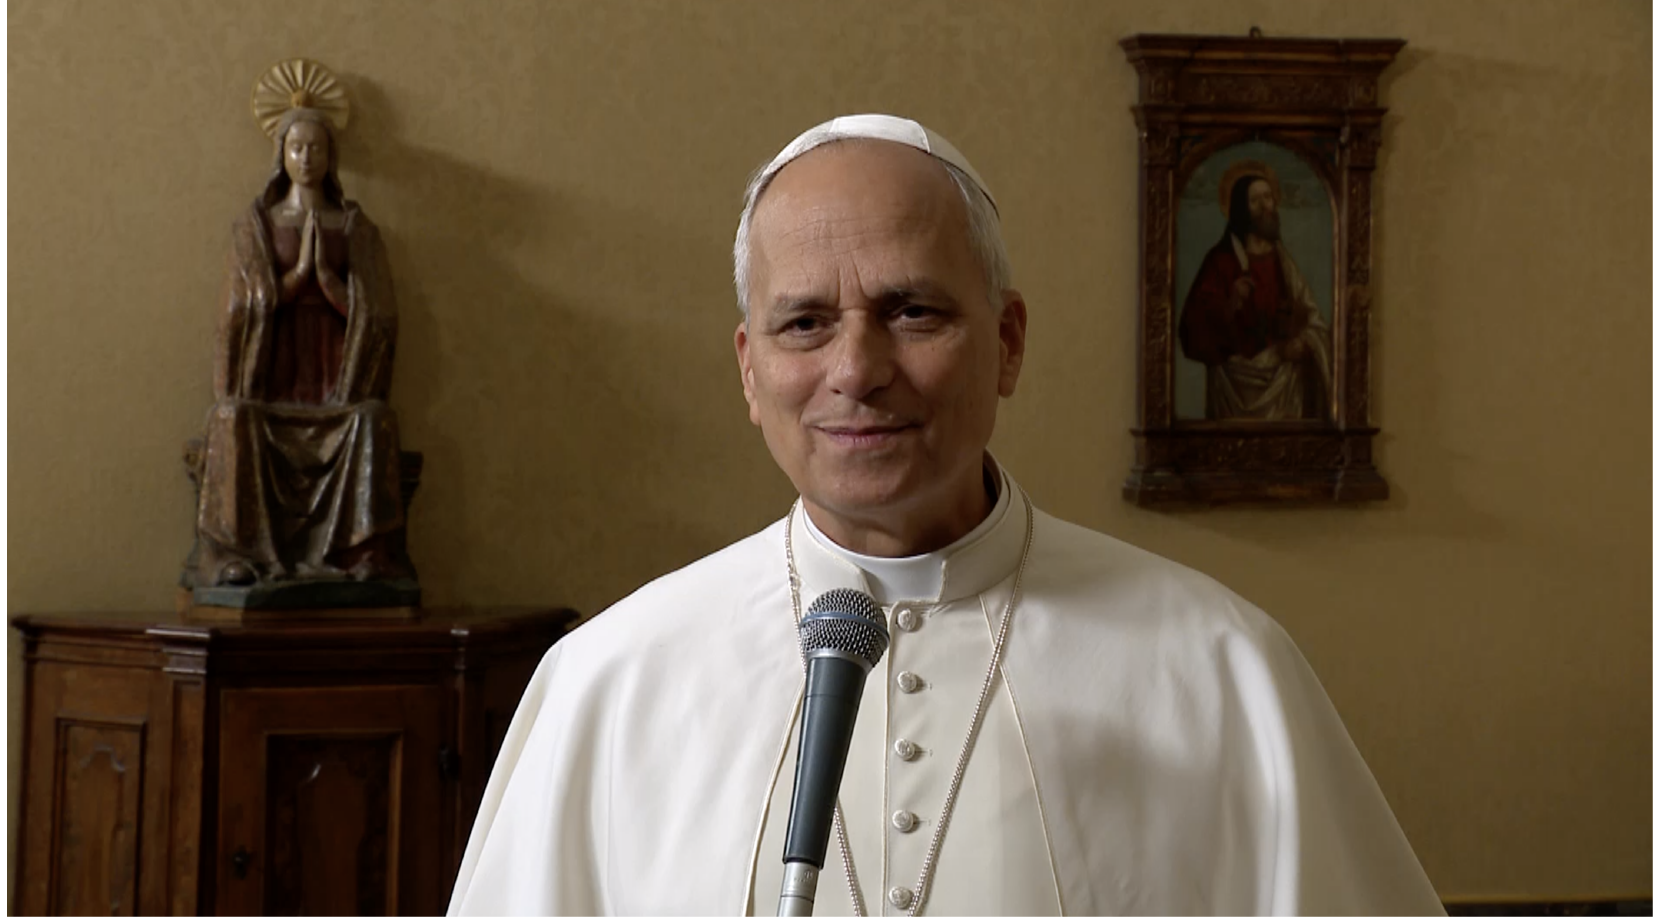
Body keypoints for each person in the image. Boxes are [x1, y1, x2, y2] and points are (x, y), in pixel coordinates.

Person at [448, 115, 1445, 916]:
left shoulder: (1220, 665)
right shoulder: (607, 681)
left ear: (1006, 341)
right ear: (750, 369)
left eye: (912, 311)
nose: (856, 370)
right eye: (805, 323)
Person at [189, 105, 413, 592]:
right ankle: (236, 556)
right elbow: (238, 308)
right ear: (282, 155)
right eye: (297, 147)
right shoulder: (256, 227)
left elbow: (379, 312)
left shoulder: (355, 227)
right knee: (232, 417)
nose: (306, 157)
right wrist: (294, 278)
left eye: (316, 148)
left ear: (331, 157)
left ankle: (363, 553)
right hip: (273, 374)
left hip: (336, 377)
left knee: (373, 418)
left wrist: (329, 281)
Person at [1179, 165, 1332, 420]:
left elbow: (1312, 317)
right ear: (1242, 209)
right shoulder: (1220, 261)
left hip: (1284, 386)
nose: (1265, 206)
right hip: (1233, 387)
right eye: (1255, 200)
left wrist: (1303, 342)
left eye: (1268, 197)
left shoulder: (1283, 262)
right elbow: (1191, 329)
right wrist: (1230, 304)